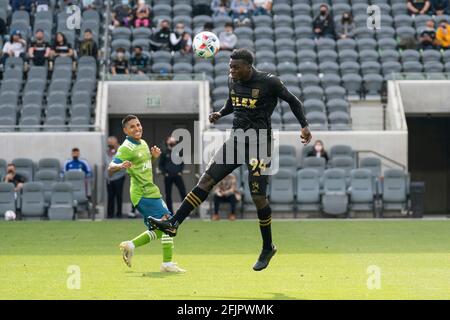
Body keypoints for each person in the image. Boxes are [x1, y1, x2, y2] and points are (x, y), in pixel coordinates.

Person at [149, 48, 312, 272]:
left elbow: (294, 101)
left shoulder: (270, 82)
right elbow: (233, 103)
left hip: (259, 144)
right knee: (206, 181)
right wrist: (220, 113)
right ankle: (174, 223)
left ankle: (267, 247)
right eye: (230, 66)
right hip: (235, 141)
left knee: (258, 198)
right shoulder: (232, 80)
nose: (231, 70)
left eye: (236, 67)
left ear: (248, 66)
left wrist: (304, 125)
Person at [108, 115, 186, 273]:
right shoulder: (126, 147)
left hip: (151, 191)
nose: (137, 128)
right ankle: (167, 264)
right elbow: (110, 167)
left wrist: (154, 158)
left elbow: (142, 165)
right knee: (168, 223)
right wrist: (120, 166)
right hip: (143, 194)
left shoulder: (143, 143)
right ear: (125, 130)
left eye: (138, 125)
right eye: (132, 127)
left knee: (159, 230)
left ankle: (131, 245)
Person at [158, 136, 187, 215]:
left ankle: (184, 212)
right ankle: (170, 213)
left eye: (174, 141)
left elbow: (182, 163)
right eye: (171, 140)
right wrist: (165, 173)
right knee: (168, 195)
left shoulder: (178, 152)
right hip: (168, 176)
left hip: (177, 175)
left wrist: (180, 171)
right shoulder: (164, 153)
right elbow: (160, 165)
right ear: (167, 142)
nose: (173, 142)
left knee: (183, 192)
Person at [105, 136, 126, 219]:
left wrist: (113, 170)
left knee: (118, 195)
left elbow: (123, 164)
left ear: (115, 142)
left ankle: (119, 213)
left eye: (111, 143)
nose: (109, 144)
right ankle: (110, 214)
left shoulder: (121, 150)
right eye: (108, 143)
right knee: (110, 196)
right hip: (109, 177)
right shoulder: (107, 151)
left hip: (119, 176)